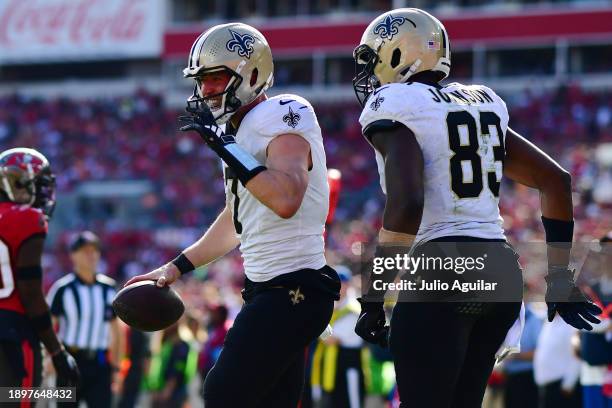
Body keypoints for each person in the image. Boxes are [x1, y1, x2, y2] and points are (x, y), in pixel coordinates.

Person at [351, 8, 601, 407]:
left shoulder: (396, 101)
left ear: (398, 54)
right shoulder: (482, 102)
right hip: (499, 270)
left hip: (443, 267)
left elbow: (408, 202)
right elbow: (556, 181)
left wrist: (375, 294)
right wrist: (558, 280)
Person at [126, 22, 340, 408]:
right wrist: (175, 267)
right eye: (201, 80)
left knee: (224, 392)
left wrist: (227, 147)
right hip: (270, 289)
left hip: (294, 287)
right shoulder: (240, 135)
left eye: (215, 77)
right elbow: (237, 219)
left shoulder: (284, 112)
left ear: (251, 74)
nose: (206, 90)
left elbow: (287, 198)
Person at [0, 148, 80, 404]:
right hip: (12, 335)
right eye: (39, 185)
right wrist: (57, 351)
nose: (44, 193)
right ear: (18, 182)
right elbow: (31, 296)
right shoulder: (26, 219)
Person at [47, 231, 123, 408]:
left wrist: (117, 367)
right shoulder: (63, 289)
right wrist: (50, 357)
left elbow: (117, 332)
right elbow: (49, 326)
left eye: (94, 250)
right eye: (85, 251)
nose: (91, 255)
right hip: (69, 362)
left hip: (100, 363)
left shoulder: (109, 288)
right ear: (73, 255)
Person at [311, 266, 366, 408]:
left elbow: (330, 339)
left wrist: (313, 323)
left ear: (347, 285)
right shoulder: (335, 306)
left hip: (349, 365)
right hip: (333, 366)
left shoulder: (353, 309)